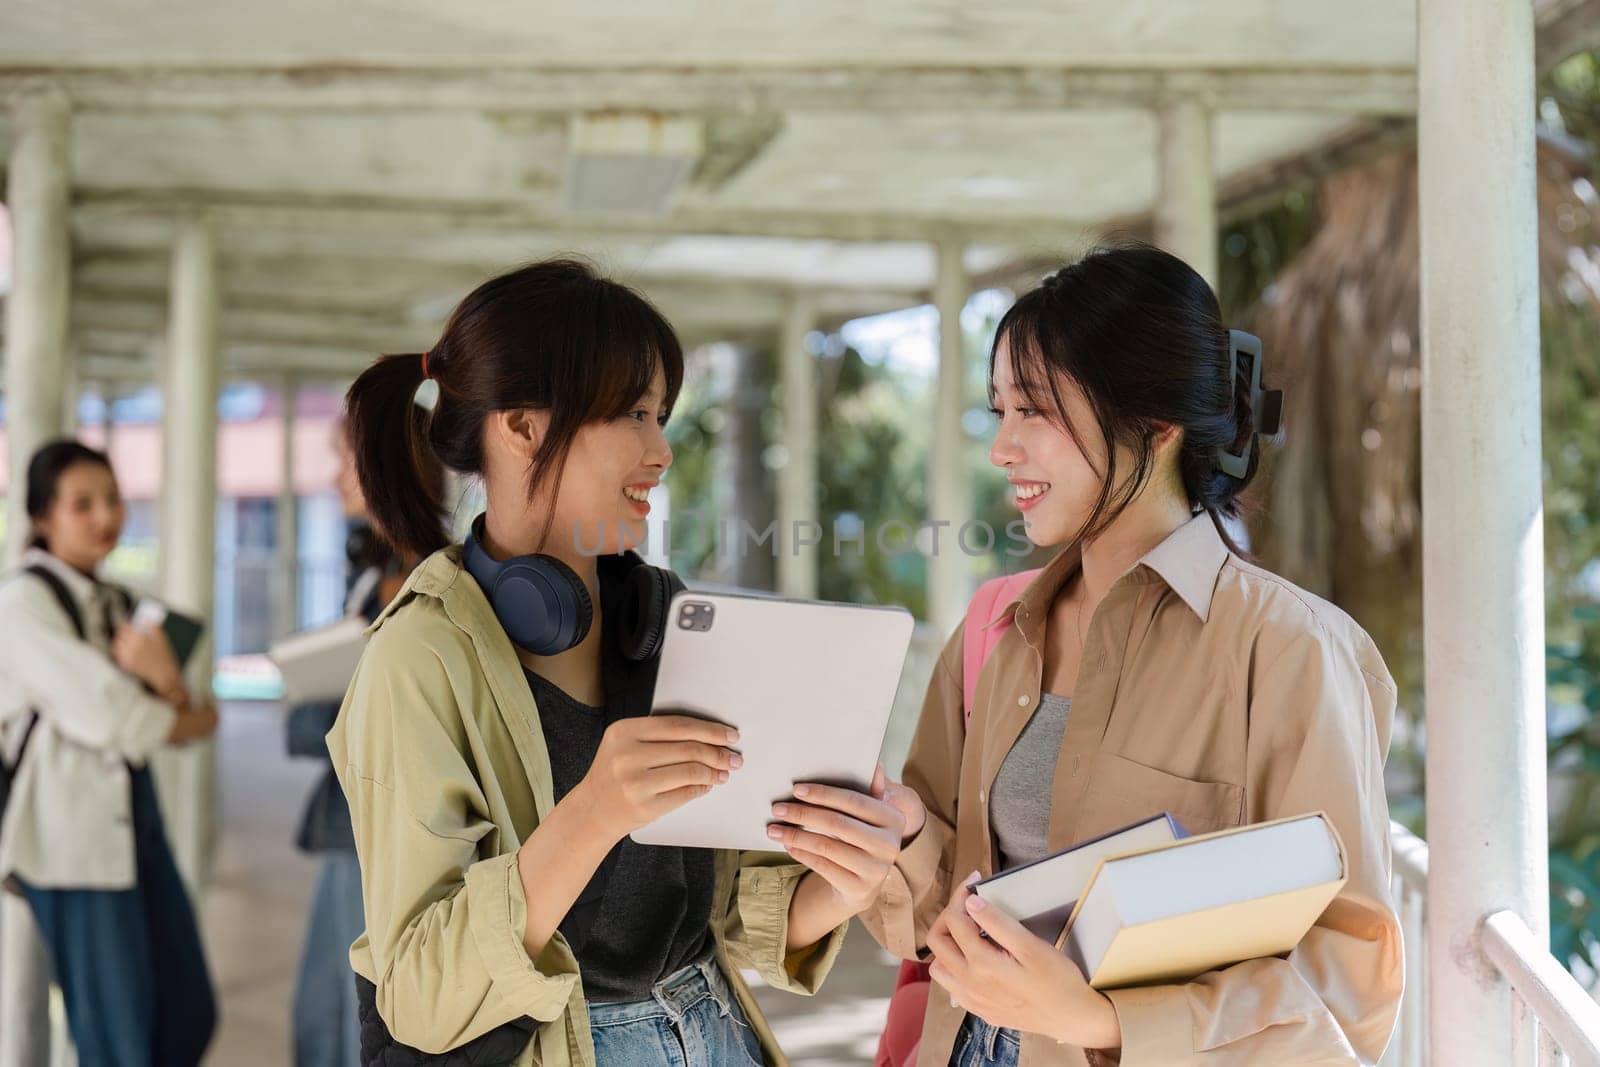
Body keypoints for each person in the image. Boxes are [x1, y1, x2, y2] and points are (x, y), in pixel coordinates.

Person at [332, 259, 913, 1066]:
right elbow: (423, 995)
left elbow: (727, 917)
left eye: (661, 415)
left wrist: (843, 877)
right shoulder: (418, 658)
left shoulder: (662, 618)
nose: (662, 450)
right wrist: (593, 812)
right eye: (634, 413)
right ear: (523, 425)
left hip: (717, 1030)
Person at [839, 243, 1403, 1065]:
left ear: (1157, 421)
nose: (1003, 447)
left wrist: (1102, 1019)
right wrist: (899, 840)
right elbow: (947, 920)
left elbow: (1348, 988)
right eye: (998, 411)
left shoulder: (1292, 650)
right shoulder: (1003, 630)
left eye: (1034, 410)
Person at [0, 439, 219, 1067]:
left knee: (187, 1010)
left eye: (114, 499)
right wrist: (168, 703)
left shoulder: (119, 604)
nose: (106, 517)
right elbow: (118, 719)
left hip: (134, 822)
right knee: (118, 1036)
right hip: (71, 845)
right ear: (42, 518)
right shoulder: (23, 604)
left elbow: (203, 713)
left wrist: (169, 688)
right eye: (82, 504)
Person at [287, 416, 439, 1067]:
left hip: (382, 822)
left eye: (344, 460)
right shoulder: (375, 565)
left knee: (354, 1007)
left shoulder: (427, 575)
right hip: (351, 815)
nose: (334, 476)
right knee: (323, 1005)